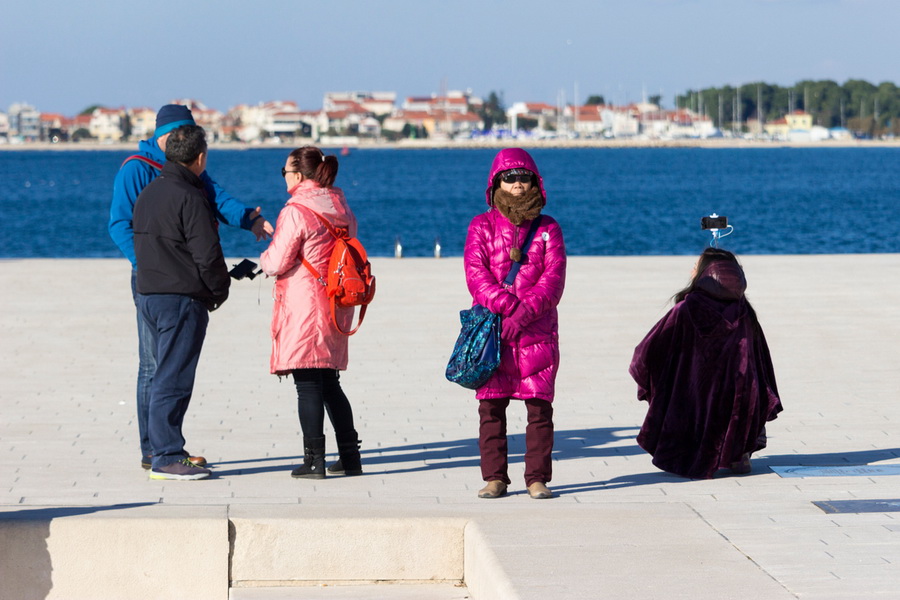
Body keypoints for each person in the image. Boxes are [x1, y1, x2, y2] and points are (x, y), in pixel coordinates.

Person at [109, 104, 273, 470]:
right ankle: (154, 450)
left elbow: (218, 200)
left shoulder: (188, 169)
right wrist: (148, 263)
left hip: (177, 277)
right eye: (175, 134)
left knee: (166, 366)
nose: (180, 140)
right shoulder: (137, 168)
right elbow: (119, 225)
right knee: (155, 367)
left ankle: (164, 448)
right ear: (162, 137)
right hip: (155, 278)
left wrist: (251, 220)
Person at [464, 148, 567, 499]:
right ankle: (495, 478)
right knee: (491, 406)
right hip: (495, 332)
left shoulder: (549, 228)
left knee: (539, 408)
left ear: (535, 182)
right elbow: (476, 276)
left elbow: (553, 280)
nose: (518, 185)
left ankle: (537, 478)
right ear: (496, 183)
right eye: (510, 178)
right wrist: (508, 307)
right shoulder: (482, 225)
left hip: (537, 333)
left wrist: (524, 315)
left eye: (524, 177)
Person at [629, 248, 783, 479]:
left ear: (708, 273)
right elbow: (761, 360)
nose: (692, 269)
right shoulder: (744, 311)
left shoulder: (686, 308)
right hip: (740, 394)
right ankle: (738, 454)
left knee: (686, 399)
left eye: (696, 265)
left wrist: (655, 377)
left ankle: (696, 457)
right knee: (741, 398)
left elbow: (649, 350)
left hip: (696, 393)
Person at [133, 125, 230, 480]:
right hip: (179, 298)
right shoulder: (190, 196)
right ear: (200, 157)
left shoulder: (149, 192)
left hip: (150, 294)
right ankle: (167, 456)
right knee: (172, 378)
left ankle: (164, 448)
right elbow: (208, 255)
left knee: (162, 373)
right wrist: (218, 291)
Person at [260, 146, 363, 479]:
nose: (284, 177)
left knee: (307, 384)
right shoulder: (338, 204)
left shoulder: (296, 210)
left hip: (305, 306)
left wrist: (261, 262)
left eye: (285, 171)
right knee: (329, 381)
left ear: (299, 175)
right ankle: (350, 457)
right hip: (335, 301)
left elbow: (277, 261)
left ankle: (313, 460)